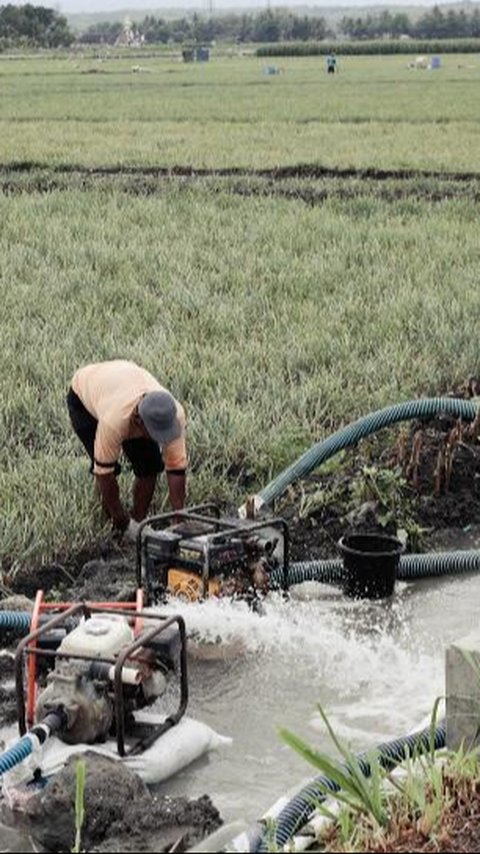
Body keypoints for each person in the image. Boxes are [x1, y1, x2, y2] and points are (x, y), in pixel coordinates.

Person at [67, 359, 187, 541]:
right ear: (139, 421)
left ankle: (139, 522)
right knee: (108, 467)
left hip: (125, 381)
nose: (160, 438)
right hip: (84, 395)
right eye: (155, 432)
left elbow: (177, 468)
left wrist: (179, 520)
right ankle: (118, 529)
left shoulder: (173, 414)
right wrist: (122, 520)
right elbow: (104, 473)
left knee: (150, 465)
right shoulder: (114, 421)